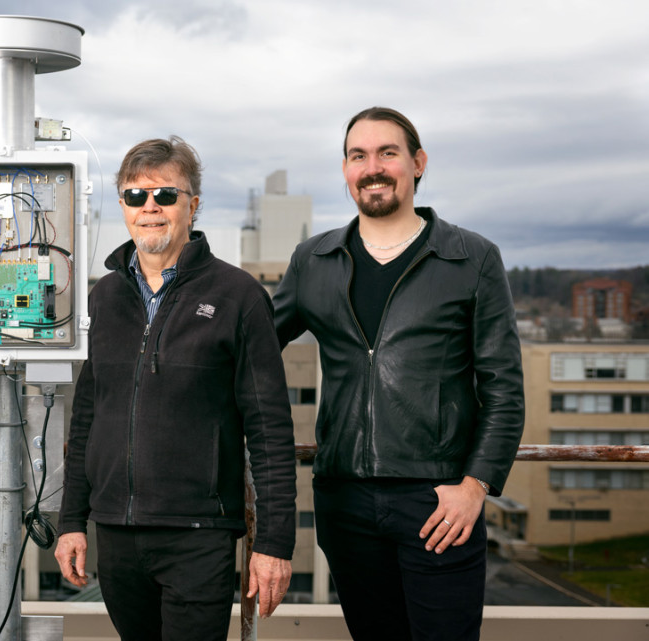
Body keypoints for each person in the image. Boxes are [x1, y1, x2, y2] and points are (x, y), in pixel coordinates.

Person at [273, 107, 525, 640]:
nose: (373, 167)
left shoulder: (471, 258)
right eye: (358, 156)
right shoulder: (312, 260)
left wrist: (475, 487)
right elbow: (251, 349)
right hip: (344, 501)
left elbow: (504, 388)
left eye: (388, 153)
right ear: (345, 170)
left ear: (417, 163)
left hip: (439, 501)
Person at [55, 136, 297, 641]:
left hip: (198, 537)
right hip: (116, 534)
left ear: (193, 204)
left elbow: (270, 429)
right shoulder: (106, 296)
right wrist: (72, 520)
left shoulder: (238, 297)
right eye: (135, 196)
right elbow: (86, 418)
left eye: (166, 195)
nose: (150, 208)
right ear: (121, 205)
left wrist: (274, 544)